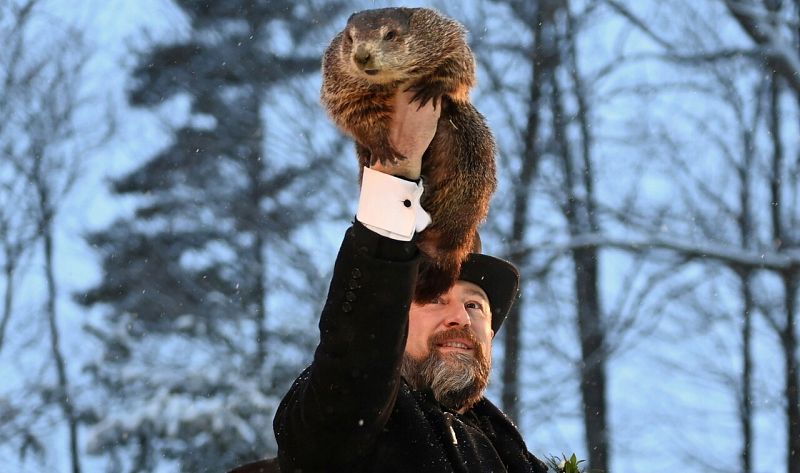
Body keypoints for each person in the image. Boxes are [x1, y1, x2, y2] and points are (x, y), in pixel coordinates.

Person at [229, 91, 547, 473]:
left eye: (474, 304)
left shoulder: (511, 454)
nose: (460, 317)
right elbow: (358, 356)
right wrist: (395, 176)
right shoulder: (354, 421)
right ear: (392, 317)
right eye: (433, 297)